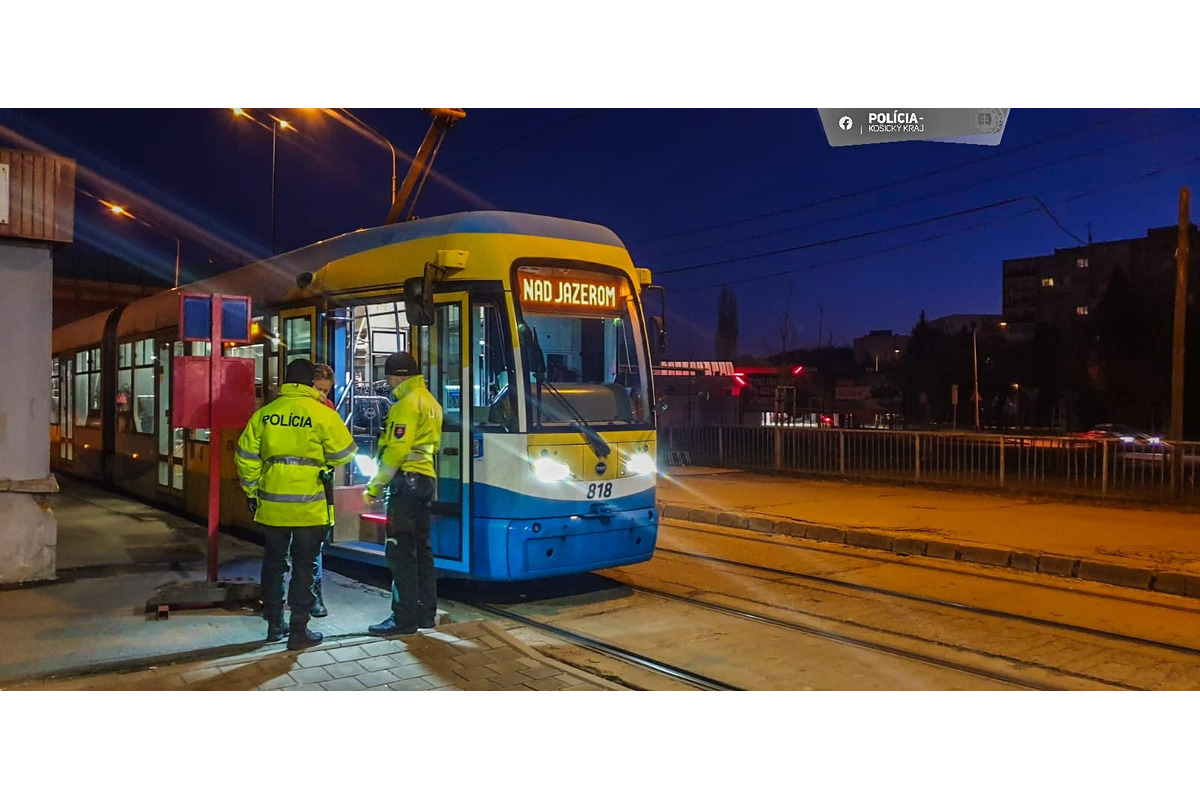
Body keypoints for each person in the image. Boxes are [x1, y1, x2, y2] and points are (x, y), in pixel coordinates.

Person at [235, 359, 357, 650]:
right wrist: (320, 460)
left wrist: (252, 492)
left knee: (274, 564)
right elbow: (345, 454)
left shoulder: (265, 414)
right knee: (304, 567)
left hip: (273, 505)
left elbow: (245, 458)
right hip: (310, 506)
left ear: (285, 383)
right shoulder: (321, 413)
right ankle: (299, 631)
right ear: (309, 384)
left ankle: (274, 625)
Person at [364, 351, 443, 636]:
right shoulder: (431, 401)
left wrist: (375, 485)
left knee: (400, 551)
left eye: (389, 376)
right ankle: (426, 614)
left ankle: (403, 618)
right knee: (423, 548)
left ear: (397, 375)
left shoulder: (405, 404)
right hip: (426, 479)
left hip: (405, 483)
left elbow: (396, 449)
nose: (388, 382)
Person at [310, 363, 337, 618]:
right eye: (319, 389)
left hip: (318, 486)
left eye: (327, 391)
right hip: (293, 490)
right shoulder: (291, 407)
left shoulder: (327, 409)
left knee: (315, 544)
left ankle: (313, 594)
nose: (323, 396)